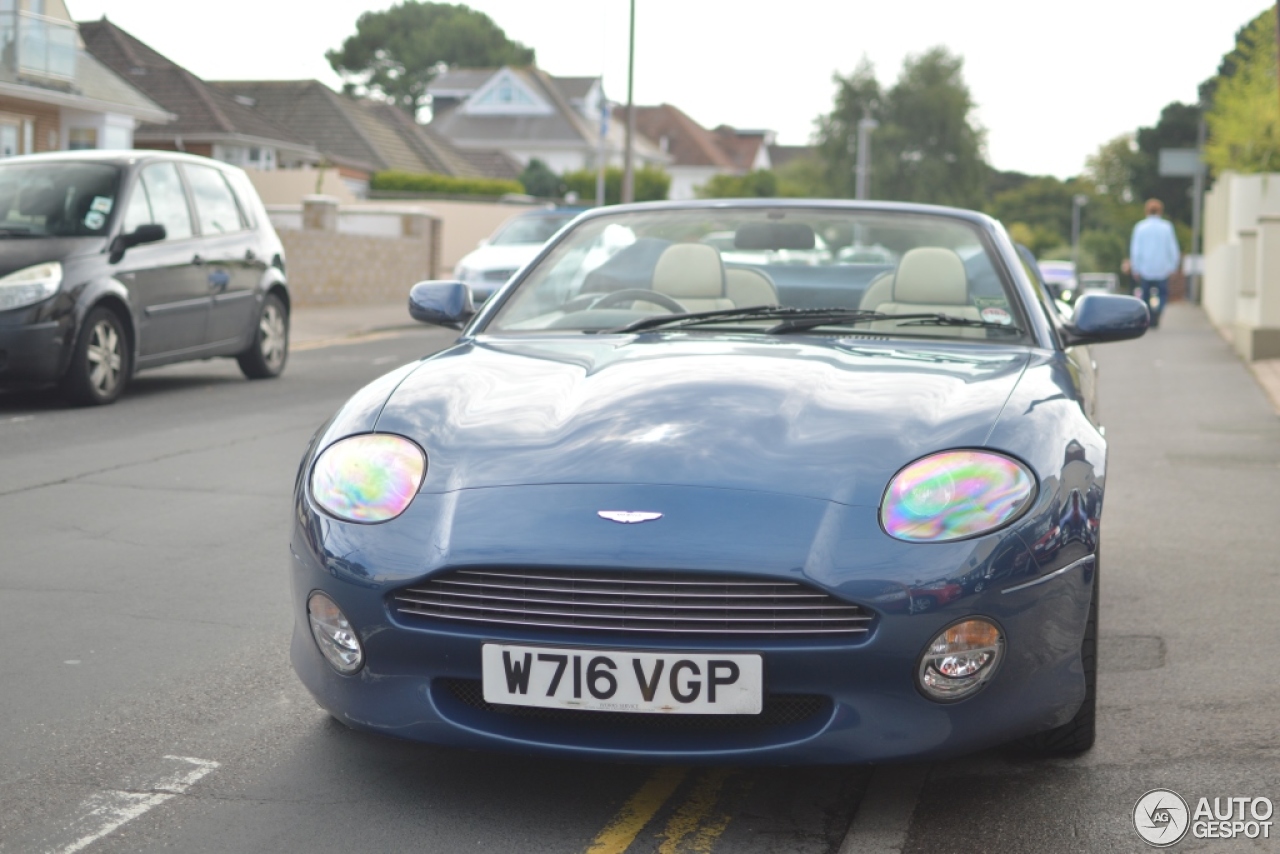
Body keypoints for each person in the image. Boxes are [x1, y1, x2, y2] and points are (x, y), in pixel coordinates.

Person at [1127, 198, 1181, 328]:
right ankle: (1158, 312)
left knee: (1145, 295)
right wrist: (1173, 266)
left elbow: (1135, 250)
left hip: (1145, 268)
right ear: (1160, 211)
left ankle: (1150, 316)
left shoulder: (1140, 227)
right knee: (1163, 294)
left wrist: (1135, 268)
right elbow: (1172, 248)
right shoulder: (1167, 227)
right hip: (1162, 268)